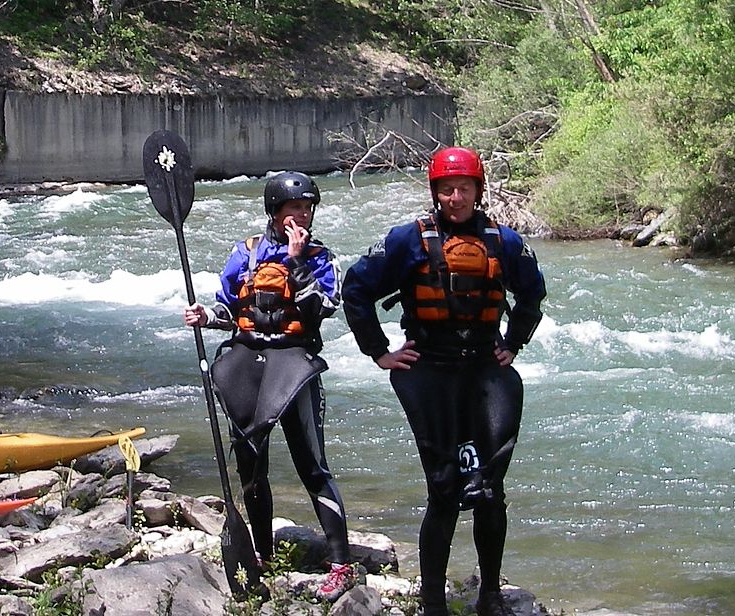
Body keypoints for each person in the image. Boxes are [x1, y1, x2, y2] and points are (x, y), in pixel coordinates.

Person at [340, 147, 546, 616]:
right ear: (436, 193)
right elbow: (356, 289)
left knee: (490, 487)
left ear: (479, 190)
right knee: (445, 486)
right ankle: (433, 599)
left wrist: (514, 342)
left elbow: (533, 291)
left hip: (485, 370)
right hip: (429, 370)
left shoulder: (505, 241)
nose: (457, 197)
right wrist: (379, 351)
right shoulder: (407, 239)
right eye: (448, 189)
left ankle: (489, 595)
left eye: (465, 188)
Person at [182, 171, 359, 601]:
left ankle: (341, 563)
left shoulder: (319, 257)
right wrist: (207, 317)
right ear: (275, 212)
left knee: (311, 464)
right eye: (293, 208)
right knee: (250, 461)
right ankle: (261, 552)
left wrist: (297, 263)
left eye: (307, 208)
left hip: (292, 363)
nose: (302, 215)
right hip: (248, 359)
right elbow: (229, 308)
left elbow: (321, 308)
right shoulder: (246, 253)